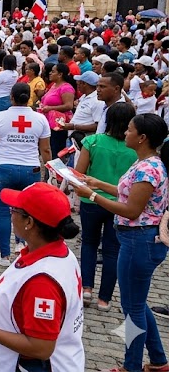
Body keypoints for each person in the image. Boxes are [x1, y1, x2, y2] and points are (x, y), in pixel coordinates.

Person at [72, 113, 169, 372]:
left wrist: (92, 194)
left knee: (132, 309)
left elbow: (130, 210)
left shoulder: (149, 169)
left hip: (140, 241)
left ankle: (131, 366)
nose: (125, 133)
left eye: (129, 130)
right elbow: (125, 190)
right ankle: (159, 361)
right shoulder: (143, 162)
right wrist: (97, 183)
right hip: (135, 240)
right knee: (137, 304)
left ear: (143, 138)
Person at [0, 182, 84, 372]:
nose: (10, 213)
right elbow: (28, 298)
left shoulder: (43, 281)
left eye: (14, 209)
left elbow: (41, 348)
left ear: (29, 222)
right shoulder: (56, 252)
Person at [0, 83, 53, 266]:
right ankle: (23, 248)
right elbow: (46, 149)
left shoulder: (0, 117)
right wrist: (48, 171)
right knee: (27, 212)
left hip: (3, 169)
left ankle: (4, 256)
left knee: (3, 212)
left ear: (11, 97)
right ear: (30, 97)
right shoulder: (39, 119)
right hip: (30, 170)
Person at [73, 102, 135, 312]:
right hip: (120, 205)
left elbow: (79, 174)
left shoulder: (93, 142)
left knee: (89, 243)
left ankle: (86, 289)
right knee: (112, 250)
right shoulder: (135, 152)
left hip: (91, 200)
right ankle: (105, 299)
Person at [39, 63, 75, 155]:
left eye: (53, 71)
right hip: (48, 122)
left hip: (58, 124)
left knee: (56, 149)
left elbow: (69, 105)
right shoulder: (53, 85)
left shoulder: (66, 88)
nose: (50, 73)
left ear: (60, 74)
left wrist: (50, 108)